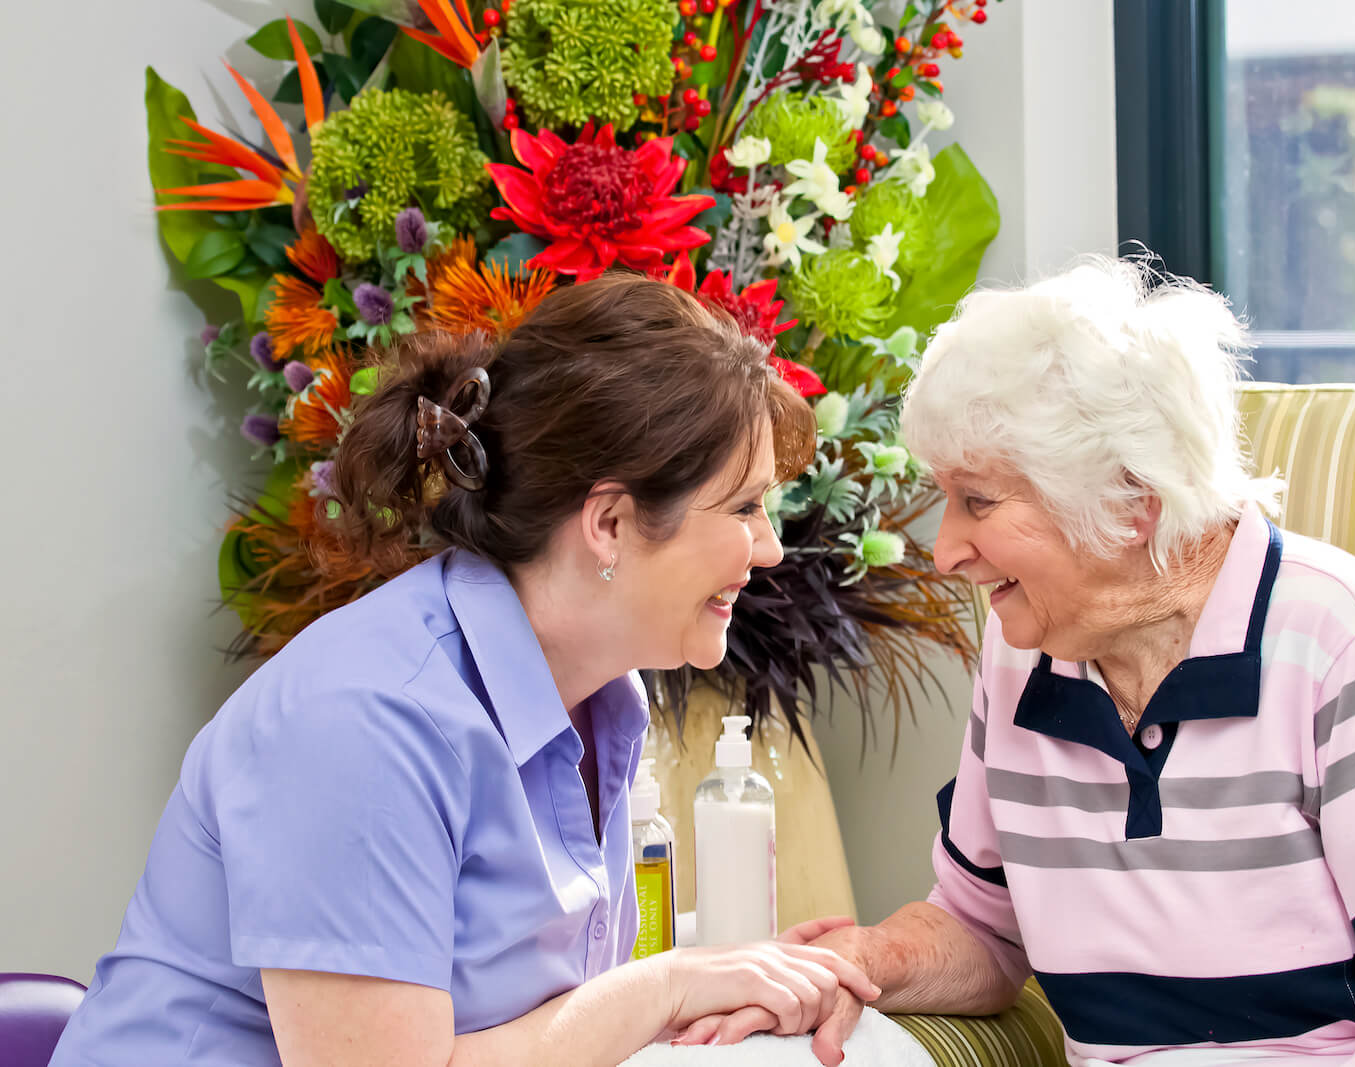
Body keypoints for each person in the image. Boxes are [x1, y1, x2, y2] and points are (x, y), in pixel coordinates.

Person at [676, 259, 1355, 1065]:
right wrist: (856, 959)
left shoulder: (1339, 643)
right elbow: (985, 934)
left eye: (977, 500)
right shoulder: (1024, 651)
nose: (946, 550)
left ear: (1129, 501)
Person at [50, 274, 879, 1066]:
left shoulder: (603, 699)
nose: (769, 547)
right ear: (611, 522)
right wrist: (669, 985)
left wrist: (724, 972)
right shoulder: (365, 722)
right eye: (743, 507)